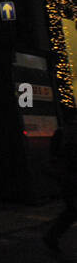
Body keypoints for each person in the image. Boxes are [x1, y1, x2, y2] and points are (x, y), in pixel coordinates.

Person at [44, 106, 77, 254]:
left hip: (66, 178)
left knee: (72, 210)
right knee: (72, 210)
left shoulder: (60, 133)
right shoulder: (70, 134)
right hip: (71, 177)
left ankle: (52, 236)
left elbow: (54, 156)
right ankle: (52, 236)